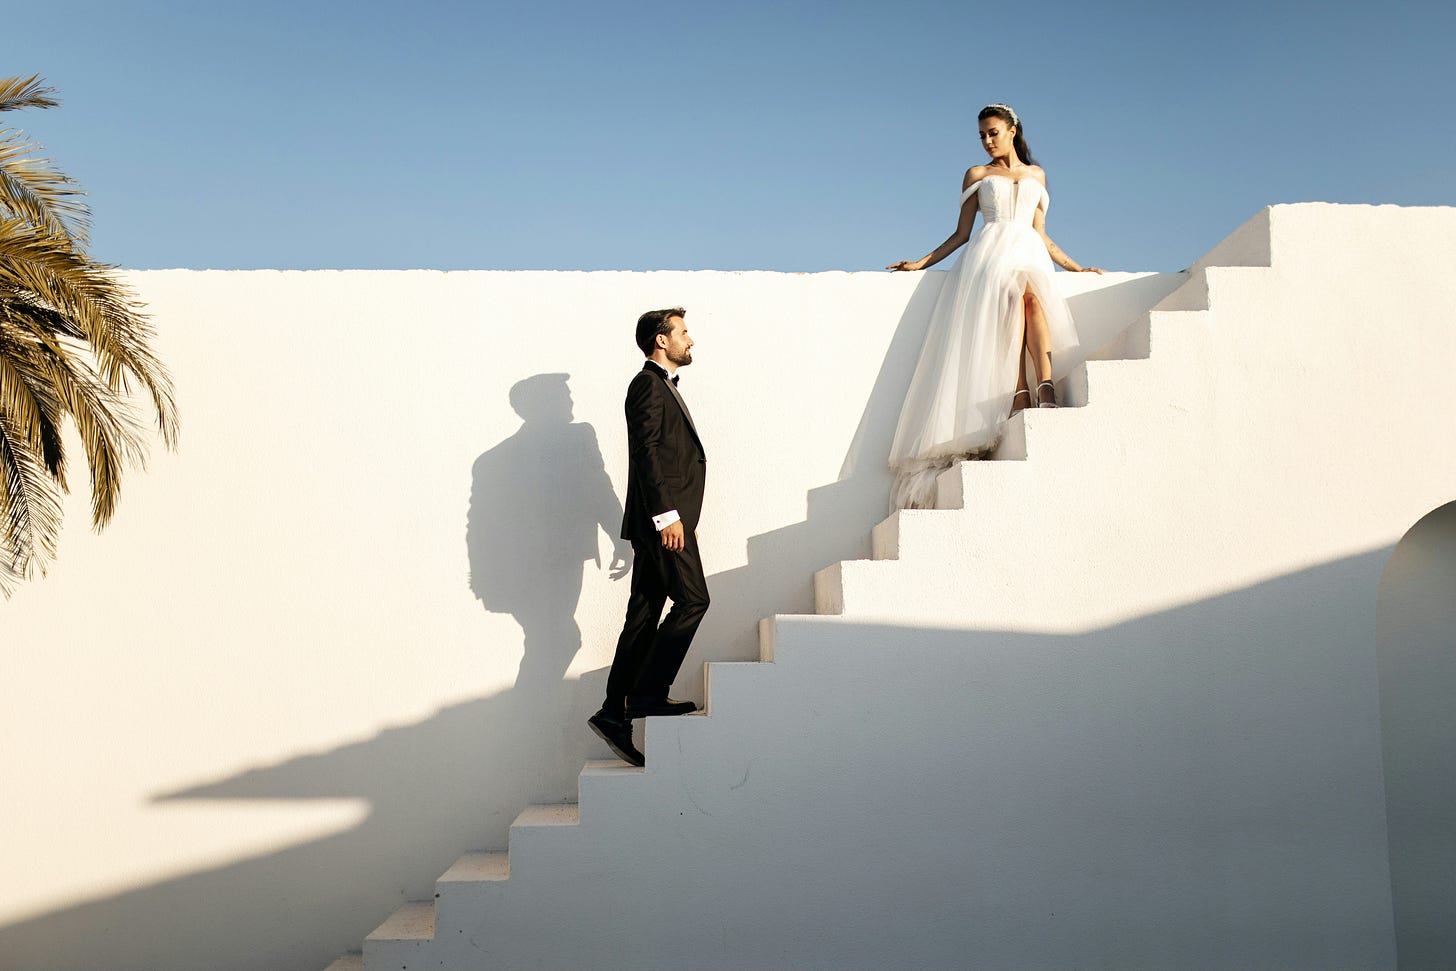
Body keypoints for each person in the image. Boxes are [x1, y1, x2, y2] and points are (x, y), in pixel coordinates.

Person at [886, 103, 1104, 509]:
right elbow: (960, 234)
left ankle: (1043, 384)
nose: (987, 141)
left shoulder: (1037, 176)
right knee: (1013, 305)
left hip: (1028, 251)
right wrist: (920, 262)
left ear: (1012, 129)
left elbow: (1041, 233)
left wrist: (1076, 266)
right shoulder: (977, 175)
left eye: (993, 133)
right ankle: (1020, 391)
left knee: (1034, 303)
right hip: (989, 255)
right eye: (982, 135)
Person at [588, 308, 709, 766]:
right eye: (682, 332)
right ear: (662, 340)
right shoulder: (647, 385)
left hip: (662, 523)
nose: (690, 340)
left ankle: (612, 712)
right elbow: (646, 453)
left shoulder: (660, 386)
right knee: (695, 600)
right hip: (665, 525)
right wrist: (666, 517)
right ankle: (647, 694)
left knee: (643, 616)